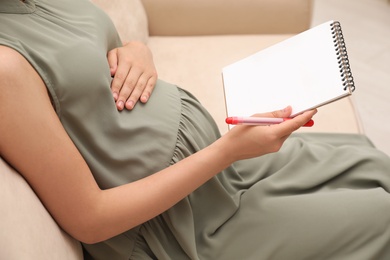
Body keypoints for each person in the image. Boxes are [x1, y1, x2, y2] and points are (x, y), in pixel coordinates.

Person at [1, 0, 389, 259]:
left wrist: (137, 49)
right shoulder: (5, 69)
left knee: (370, 161)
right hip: (184, 228)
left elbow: (93, 56)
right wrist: (229, 151)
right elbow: (90, 219)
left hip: (221, 174)